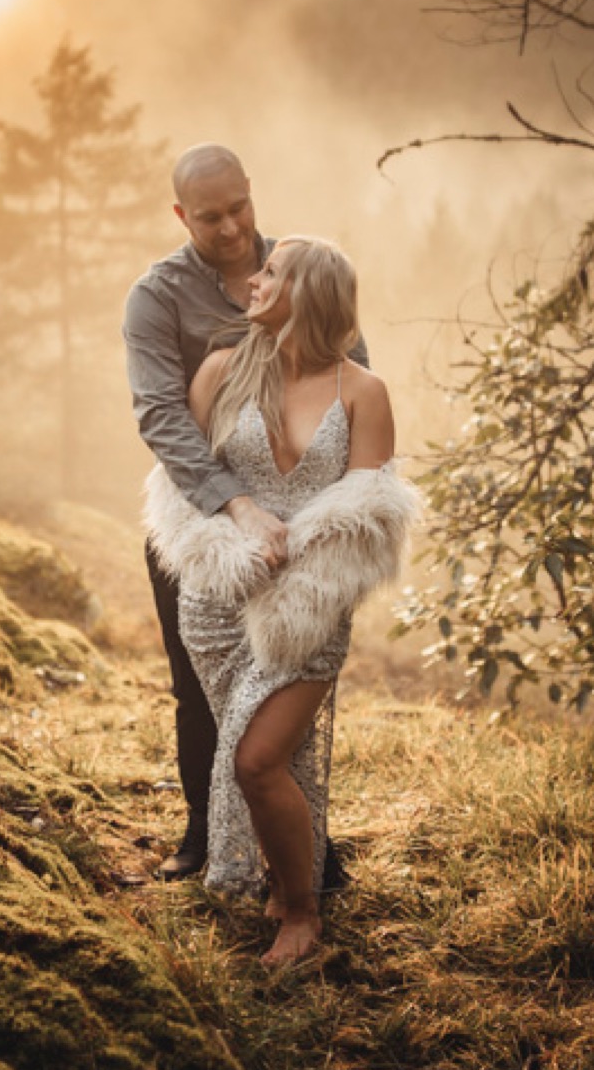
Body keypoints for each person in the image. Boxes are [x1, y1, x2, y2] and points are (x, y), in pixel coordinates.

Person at [144, 237, 417, 965]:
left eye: (271, 272)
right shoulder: (220, 372)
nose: (254, 280)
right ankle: (284, 878)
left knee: (258, 758)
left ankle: (302, 916)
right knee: (275, 761)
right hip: (220, 599)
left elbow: (368, 517)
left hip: (306, 610)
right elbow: (182, 481)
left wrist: (296, 563)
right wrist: (236, 546)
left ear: (309, 291)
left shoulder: (362, 391)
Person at [123, 145, 366, 881]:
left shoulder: (300, 268)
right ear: (180, 216)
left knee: (291, 696)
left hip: (301, 534)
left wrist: (327, 531)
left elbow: (348, 381)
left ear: (251, 194)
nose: (230, 228)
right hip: (204, 526)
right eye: (209, 217)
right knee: (202, 693)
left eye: (238, 208)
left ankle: (304, 850)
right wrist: (236, 508)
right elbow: (164, 417)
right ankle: (205, 836)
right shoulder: (158, 296)